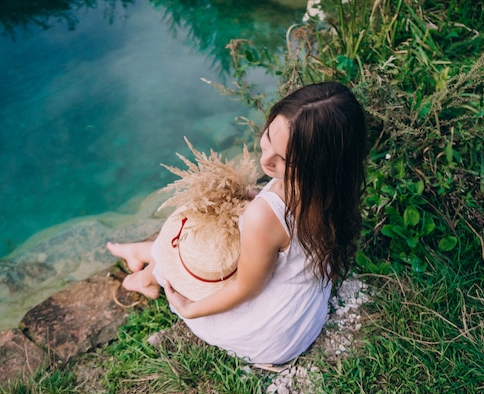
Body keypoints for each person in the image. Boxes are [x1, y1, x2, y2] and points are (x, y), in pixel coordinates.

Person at [107, 81, 368, 364]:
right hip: (302, 304)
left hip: (274, 331)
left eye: (284, 160)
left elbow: (247, 288)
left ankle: (144, 278)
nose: (265, 161)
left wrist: (191, 309)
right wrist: (258, 196)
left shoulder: (264, 215)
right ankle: (141, 255)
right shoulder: (334, 184)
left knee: (185, 246)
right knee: (191, 236)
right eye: (267, 139)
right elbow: (286, 224)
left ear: (316, 163)